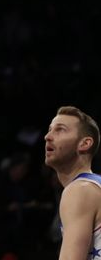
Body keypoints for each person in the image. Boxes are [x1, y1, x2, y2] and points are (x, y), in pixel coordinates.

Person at [43, 106, 101, 260]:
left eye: (60, 130)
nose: (47, 137)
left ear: (85, 143)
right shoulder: (94, 187)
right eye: (50, 130)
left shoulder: (80, 190)